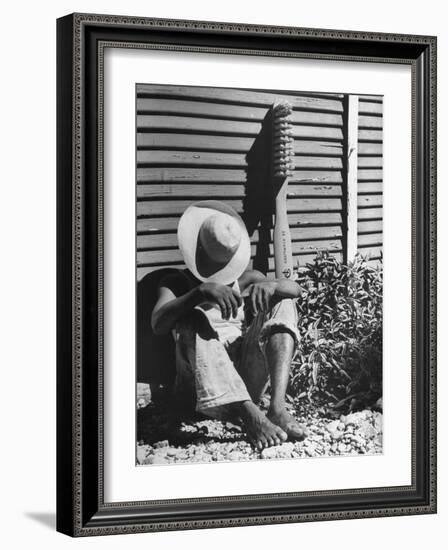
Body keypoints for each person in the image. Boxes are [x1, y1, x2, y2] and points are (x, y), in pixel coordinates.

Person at [151, 200, 306, 450]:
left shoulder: (245, 280)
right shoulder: (176, 282)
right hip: (200, 390)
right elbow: (158, 323)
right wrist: (198, 294)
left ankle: (277, 408)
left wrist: (272, 285)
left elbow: (296, 290)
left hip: (245, 380)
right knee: (194, 318)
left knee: (284, 302)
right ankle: (250, 416)